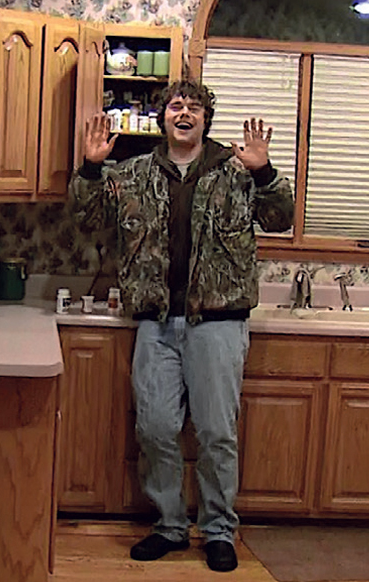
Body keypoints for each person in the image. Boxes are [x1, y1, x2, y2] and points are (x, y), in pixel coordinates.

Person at [69, 79, 293, 572]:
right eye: (175, 106)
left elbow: (281, 218)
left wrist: (264, 171)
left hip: (218, 322)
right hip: (156, 322)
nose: (184, 113)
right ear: (163, 118)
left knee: (216, 432)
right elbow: (85, 217)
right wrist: (90, 167)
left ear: (206, 120)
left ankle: (218, 531)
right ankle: (169, 525)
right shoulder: (133, 174)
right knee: (154, 428)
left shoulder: (236, 172)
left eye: (194, 107)